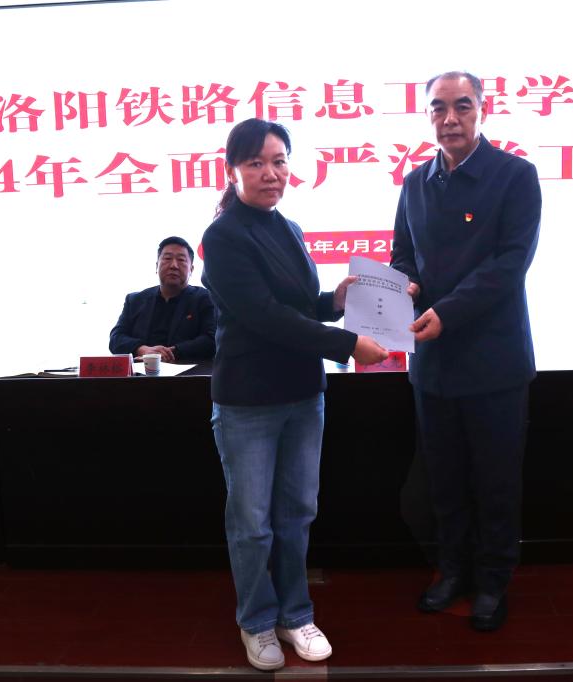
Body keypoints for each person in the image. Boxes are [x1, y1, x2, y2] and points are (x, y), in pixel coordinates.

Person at [202, 118, 387, 671]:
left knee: (297, 514)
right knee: (252, 524)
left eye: (279, 161)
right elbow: (264, 316)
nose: (270, 173)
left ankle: (295, 614)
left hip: (304, 394)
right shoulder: (223, 236)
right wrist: (348, 343)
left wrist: (336, 301)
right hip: (248, 403)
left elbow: (299, 307)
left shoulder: (289, 227)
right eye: (256, 162)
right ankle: (257, 621)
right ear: (232, 170)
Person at [390, 71, 542, 632]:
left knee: (495, 482)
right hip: (432, 363)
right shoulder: (415, 182)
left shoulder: (515, 175)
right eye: (438, 108)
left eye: (461, 106)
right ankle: (452, 571)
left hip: (494, 361)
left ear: (482, 109)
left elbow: (510, 263)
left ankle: (494, 581)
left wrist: (447, 311)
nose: (449, 119)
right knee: (445, 480)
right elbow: (402, 254)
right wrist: (404, 284)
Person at [109, 236, 216, 363]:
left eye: (181, 260)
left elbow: (212, 339)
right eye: (167, 258)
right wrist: (142, 349)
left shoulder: (205, 298)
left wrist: (172, 352)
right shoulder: (135, 300)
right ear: (157, 266)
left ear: (191, 269)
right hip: (140, 371)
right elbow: (116, 338)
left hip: (188, 372)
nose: (174, 265)